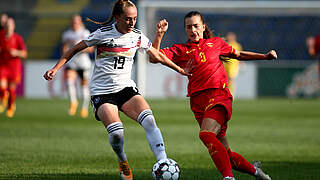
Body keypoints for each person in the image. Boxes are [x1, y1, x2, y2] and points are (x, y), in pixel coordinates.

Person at [43, 1, 189, 180]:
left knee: (149, 120)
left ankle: (163, 162)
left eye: (134, 19)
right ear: (118, 17)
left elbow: (156, 55)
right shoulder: (102, 34)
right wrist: (55, 69)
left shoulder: (137, 36)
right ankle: (122, 160)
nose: (132, 23)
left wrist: (180, 70)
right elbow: (74, 49)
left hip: (125, 88)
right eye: (128, 19)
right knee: (117, 134)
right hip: (102, 93)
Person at [152, 11, 277, 180]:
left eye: (196, 26)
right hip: (197, 103)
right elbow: (154, 57)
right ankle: (257, 172)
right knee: (226, 155)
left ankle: (228, 178)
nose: (193, 30)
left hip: (218, 96)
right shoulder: (181, 50)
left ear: (203, 27)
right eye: (189, 27)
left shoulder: (216, 43)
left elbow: (238, 55)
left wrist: (265, 56)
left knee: (205, 134)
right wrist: (159, 35)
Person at [62, 14, 93, 118]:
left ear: (80, 22)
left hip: (83, 63)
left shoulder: (85, 33)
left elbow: (91, 49)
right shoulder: (67, 34)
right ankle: (73, 102)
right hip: (72, 62)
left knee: (84, 86)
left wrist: (77, 48)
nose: (75, 23)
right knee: (69, 82)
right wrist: (66, 53)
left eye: (77, 21)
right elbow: (64, 47)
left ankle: (84, 108)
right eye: (73, 21)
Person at [0, 17, 27, 117]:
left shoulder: (18, 38)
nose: (8, 27)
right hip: (3, 65)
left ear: (13, 26)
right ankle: (4, 96)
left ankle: (10, 107)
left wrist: (16, 52)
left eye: (10, 25)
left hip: (14, 67)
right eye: (7, 25)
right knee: (1, 85)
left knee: (11, 89)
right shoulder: (1, 35)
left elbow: (24, 54)